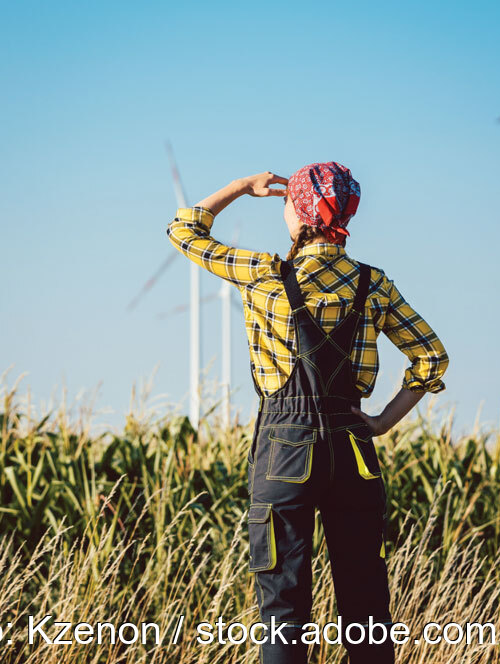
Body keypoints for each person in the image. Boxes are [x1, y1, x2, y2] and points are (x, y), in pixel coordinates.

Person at [165, 162, 449, 664]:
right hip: (353, 448)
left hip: (283, 450)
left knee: (284, 610)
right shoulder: (373, 284)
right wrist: (382, 421)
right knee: (366, 611)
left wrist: (239, 186)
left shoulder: (263, 273)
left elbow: (183, 230)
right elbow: (431, 357)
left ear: (298, 212)